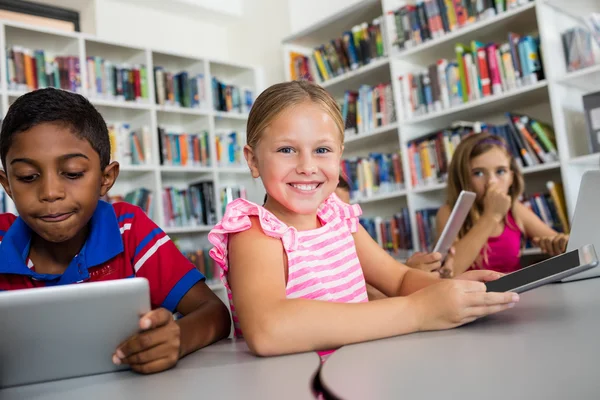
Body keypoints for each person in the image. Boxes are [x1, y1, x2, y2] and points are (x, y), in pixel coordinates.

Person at [207, 81, 517, 358]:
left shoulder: (337, 216)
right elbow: (267, 329)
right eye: (287, 149)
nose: (307, 166)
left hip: (359, 371)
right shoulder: (254, 232)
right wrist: (418, 311)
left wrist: (448, 289)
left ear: (339, 156)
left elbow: (399, 279)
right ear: (253, 160)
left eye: (322, 150)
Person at [0, 88, 231, 374]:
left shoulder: (129, 231)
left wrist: (177, 339)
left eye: (72, 173)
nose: (50, 192)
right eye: (27, 177)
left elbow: (216, 314)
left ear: (105, 179)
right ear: (7, 184)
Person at [433, 133, 569, 276]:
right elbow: (451, 271)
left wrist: (561, 243)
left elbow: (561, 243)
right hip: (470, 296)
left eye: (500, 171)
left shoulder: (515, 210)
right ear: (462, 178)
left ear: (511, 177)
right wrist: (491, 215)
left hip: (514, 294)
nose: (491, 181)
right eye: (478, 173)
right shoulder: (449, 212)